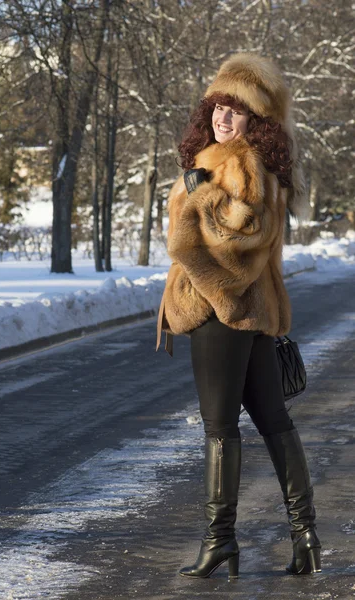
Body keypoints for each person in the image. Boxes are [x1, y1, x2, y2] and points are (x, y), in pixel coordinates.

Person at [156, 54, 321, 579]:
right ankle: (307, 535)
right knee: (273, 421)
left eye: (237, 110)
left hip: (222, 308)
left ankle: (219, 539)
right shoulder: (234, 157)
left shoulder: (240, 162)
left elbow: (240, 240)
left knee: (220, 428)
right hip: (250, 312)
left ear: (256, 120)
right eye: (218, 107)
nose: (224, 119)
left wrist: (196, 196)